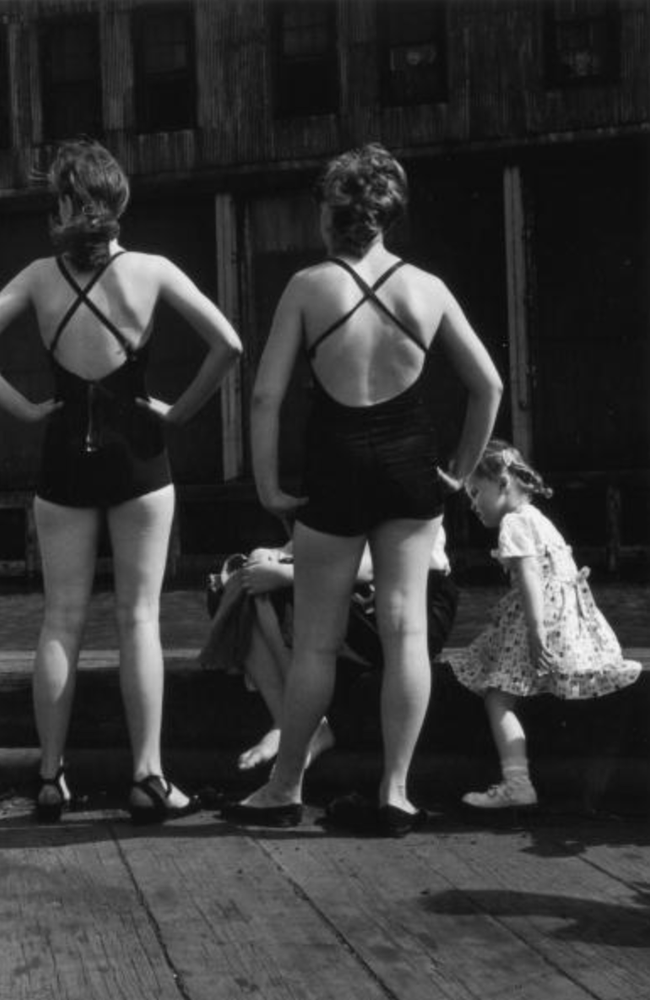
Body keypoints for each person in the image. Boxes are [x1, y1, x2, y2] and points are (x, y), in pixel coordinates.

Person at [0, 139, 242, 823]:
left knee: (60, 620)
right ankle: (148, 778)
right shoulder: (152, 271)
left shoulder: (37, 278)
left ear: (61, 208)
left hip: (63, 458)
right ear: (118, 202)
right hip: (140, 457)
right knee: (139, 618)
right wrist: (180, 412)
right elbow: (229, 344)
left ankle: (50, 777)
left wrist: (25, 410)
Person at [220, 142, 503, 835]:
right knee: (407, 632)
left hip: (335, 461)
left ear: (329, 214)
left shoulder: (308, 286)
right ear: (388, 216)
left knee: (316, 642)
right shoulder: (426, 288)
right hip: (410, 462)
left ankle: (284, 788)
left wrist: (268, 485)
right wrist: (460, 471)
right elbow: (488, 386)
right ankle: (396, 794)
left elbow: (265, 396)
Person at [450, 439, 642, 810]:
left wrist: (535, 630)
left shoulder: (513, 523)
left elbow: (529, 576)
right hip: (566, 622)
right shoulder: (538, 518)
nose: (472, 504)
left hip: (539, 619)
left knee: (497, 697)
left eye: (475, 492)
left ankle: (517, 782)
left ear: (502, 483)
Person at [201, 525, 458, 773]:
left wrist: (284, 574)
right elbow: (310, 541)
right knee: (241, 584)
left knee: (280, 585)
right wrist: (267, 556)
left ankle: (304, 724)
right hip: (351, 588)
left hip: (412, 604)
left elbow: (371, 567)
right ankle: (288, 721)